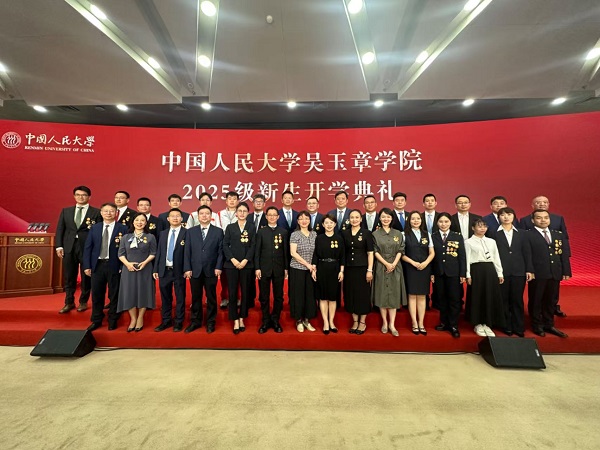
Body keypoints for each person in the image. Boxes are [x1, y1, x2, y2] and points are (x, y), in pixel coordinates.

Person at [519, 195, 570, 318]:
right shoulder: (525, 221)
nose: (542, 204)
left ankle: (552, 310)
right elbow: (524, 246)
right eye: (538, 202)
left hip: (554, 263)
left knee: (552, 293)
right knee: (536, 294)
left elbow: (564, 240)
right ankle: (536, 318)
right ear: (532, 205)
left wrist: (565, 263)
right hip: (538, 264)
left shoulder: (558, 219)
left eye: (545, 202)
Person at [525, 209, 571, 338]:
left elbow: (563, 254)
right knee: (536, 299)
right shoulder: (528, 235)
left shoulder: (557, 234)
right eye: (539, 218)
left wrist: (566, 270)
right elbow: (527, 255)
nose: (543, 220)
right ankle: (536, 325)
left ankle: (549, 324)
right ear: (533, 220)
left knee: (551, 300)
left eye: (546, 217)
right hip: (538, 273)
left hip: (555, 272)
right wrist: (529, 270)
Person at [82, 203, 128, 331]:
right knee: (97, 294)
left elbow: (126, 249)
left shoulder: (123, 228)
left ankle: (113, 319)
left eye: (111, 211)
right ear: (101, 213)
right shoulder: (95, 228)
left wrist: (122, 265)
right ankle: (96, 319)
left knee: (114, 294)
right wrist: (87, 266)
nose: (108, 213)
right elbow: (88, 248)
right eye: (106, 211)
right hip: (97, 265)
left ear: (116, 213)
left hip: (115, 265)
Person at [56, 185, 101, 313]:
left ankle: (83, 301)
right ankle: (69, 302)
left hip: (87, 247)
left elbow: (98, 232)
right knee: (69, 275)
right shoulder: (66, 211)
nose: (81, 197)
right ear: (74, 196)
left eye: (84, 195)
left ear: (89, 197)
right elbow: (60, 229)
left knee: (86, 276)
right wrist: (59, 246)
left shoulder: (96, 212)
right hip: (69, 246)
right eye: (78, 195)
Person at [489, 207, 533, 337]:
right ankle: (506, 325)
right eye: (502, 215)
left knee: (517, 299)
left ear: (513, 216)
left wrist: (529, 269)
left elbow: (527, 252)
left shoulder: (522, 233)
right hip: (501, 272)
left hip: (519, 271)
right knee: (503, 299)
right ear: (498, 218)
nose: (506, 217)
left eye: (509, 214)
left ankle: (519, 326)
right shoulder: (493, 233)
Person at [183, 205, 224, 334]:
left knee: (211, 297)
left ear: (211, 216)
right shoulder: (190, 231)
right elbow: (187, 251)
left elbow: (221, 251)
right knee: (196, 297)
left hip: (211, 270)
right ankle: (195, 321)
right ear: (198, 216)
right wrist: (187, 268)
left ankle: (211, 322)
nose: (204, 216)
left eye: (207, 213)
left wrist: (218, 266)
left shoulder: (218, 231)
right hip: (194, 269)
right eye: (202, 214)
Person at [465, 218, 505, 337]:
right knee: (477, 296)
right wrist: (468, 274)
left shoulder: (491, 241)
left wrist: (499, 272)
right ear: (473, 228)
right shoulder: (468, 242)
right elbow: (467, 259)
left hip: (490, 270)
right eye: (479, 226)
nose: (482, 228)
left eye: (484, 226)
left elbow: (496, 257)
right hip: (476, 270)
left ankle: (487, 323)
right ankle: (477, 323)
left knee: (490, 295)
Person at [117, 213, 157, 332]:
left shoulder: (150, 237)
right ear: (133, 222)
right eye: (137, 220)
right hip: (128, 269)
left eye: (142, 220)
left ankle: (140, 318)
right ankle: (133, 318)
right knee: (129, 293)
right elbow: (121, 254)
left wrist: (144, 263)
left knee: (143, 292)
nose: (139, 222)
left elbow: (153, 253)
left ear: (146, 223)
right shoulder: (126, 237)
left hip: (145, 268)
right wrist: (128, 264)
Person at [372, 208, 407, 337]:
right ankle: (385, 323)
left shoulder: (398, 233)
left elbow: (401, 250)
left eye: (388, 217)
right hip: (381, 266)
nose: (385, 219)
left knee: (394, 295)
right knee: (381, 294)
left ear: (392, 218)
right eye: (383, 217)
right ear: (380, 219)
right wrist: (386, 264)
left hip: (395, 266)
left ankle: (392, 324)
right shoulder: (375, 234)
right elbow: (375, 251)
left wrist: (393, 264)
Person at [255, 206, 289, 333]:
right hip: (264, 268)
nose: (272, 217)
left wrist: (286, 268)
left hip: (279, 268)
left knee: (278, 296)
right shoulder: (261, 232)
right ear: (266, 216)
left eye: (275, 215)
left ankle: (275, 320)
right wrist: (257, 267)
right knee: (264, 296)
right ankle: (265, 321)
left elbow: (286, 252)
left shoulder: (283, 232)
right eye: (270, 215)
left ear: (278, 217)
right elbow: (257, 252)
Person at [431, 213, 466, 338]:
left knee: (454, 299)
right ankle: (444, 322)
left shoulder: (457, 236)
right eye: (441, 221)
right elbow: (431, 256)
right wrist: (432, 273)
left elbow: (462, 256)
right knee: (441, 298)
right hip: (439, 272)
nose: (443, 224)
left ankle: (454, 325)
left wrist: (462, 273)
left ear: (450, 222)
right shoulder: (433, 236)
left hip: (454, 273)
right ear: (437, 223)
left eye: (446, 221)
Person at [223, 202, 256, 334]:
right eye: (240, 211)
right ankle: (235, 319)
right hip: (232, 265)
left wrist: (245, 260)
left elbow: (253, 245)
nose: (242, 213)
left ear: (248, 213)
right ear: (236, 213)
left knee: (245, 292)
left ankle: (242, 317)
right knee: (232, 293)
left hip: (246, 265)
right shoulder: (230, 227)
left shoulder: (251, 227)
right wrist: (233, 260)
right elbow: (225, 245)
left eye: (244, 211)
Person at [153, 208, 187, 332]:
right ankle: (166, 321)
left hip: (179, 271)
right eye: (172, 216)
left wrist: (187, 269)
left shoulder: (187, 233)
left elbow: (188, 253)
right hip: (164, 270)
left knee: (180, 297)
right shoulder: (163, 233)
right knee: (165, 297)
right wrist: (156, 268)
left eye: (178, 216)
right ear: (168, 219)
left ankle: (178, 321)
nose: (175, 218)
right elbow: (159, 252)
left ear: (182, 218)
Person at [402, 211, 435, 335]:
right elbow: (401, 254)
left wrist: (426, 263)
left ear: (422, 220)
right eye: (413, 219)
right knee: (412, 295)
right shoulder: (404, 234)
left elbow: (432, 252)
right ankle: (414, 323)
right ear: (409, 221)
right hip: (410, 268)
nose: (416, 221)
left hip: (424, 268)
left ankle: (421, 323)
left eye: (418, 219)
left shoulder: (427, 234)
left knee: (422, 296)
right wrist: (413, 262)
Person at [312, 214, 345, 334]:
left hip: (335, 269)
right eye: (326, 223)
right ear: (323, 224)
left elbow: (343, 256)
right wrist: (314, 269)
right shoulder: (319, 238)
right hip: (322, 268)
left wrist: (341, 271)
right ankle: (325, 322)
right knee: (323, 297)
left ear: (335, 224)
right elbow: (315, 255)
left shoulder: (339, 238)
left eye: (331, 223)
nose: (329, 225)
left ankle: (331, 322)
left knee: (332, 297)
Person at [342, 209, 374, 335]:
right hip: (349, 269)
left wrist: (369, 270)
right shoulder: (344, 233)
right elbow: (343, 253)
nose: (354, 220)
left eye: (357, 217)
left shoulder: (367, 233)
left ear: (361, 219)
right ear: (349, 219)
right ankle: (355, 321)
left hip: (362, 268)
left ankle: (362, 322)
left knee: (363, 295)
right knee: (351, 294)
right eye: (352, 217)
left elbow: (370, 253)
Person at [289, 210, 317, 332]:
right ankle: (298, 320)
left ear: (310, 221)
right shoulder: (295, 234)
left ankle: (307, 319)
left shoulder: (314, 234)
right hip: (297, 269)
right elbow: (293, 253)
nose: (304, 221)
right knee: (298, 295)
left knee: (309, 295)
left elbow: (317, 252)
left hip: (311, 270)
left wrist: (313, 267)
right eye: (301, 219)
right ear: (298, 221)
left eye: (306, 218)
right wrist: (307, 265)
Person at [217, 191, 240, 309]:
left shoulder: (241, 212)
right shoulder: (219, 214)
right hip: (223, 247)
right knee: (225, 275)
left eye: (234, 199)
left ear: (238, 201)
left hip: (238, 247)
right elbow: (217, 230)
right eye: (230, 199)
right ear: (226, 201)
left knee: (238, 274)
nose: (232, 201)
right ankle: (224, 298)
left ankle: (238, 298)